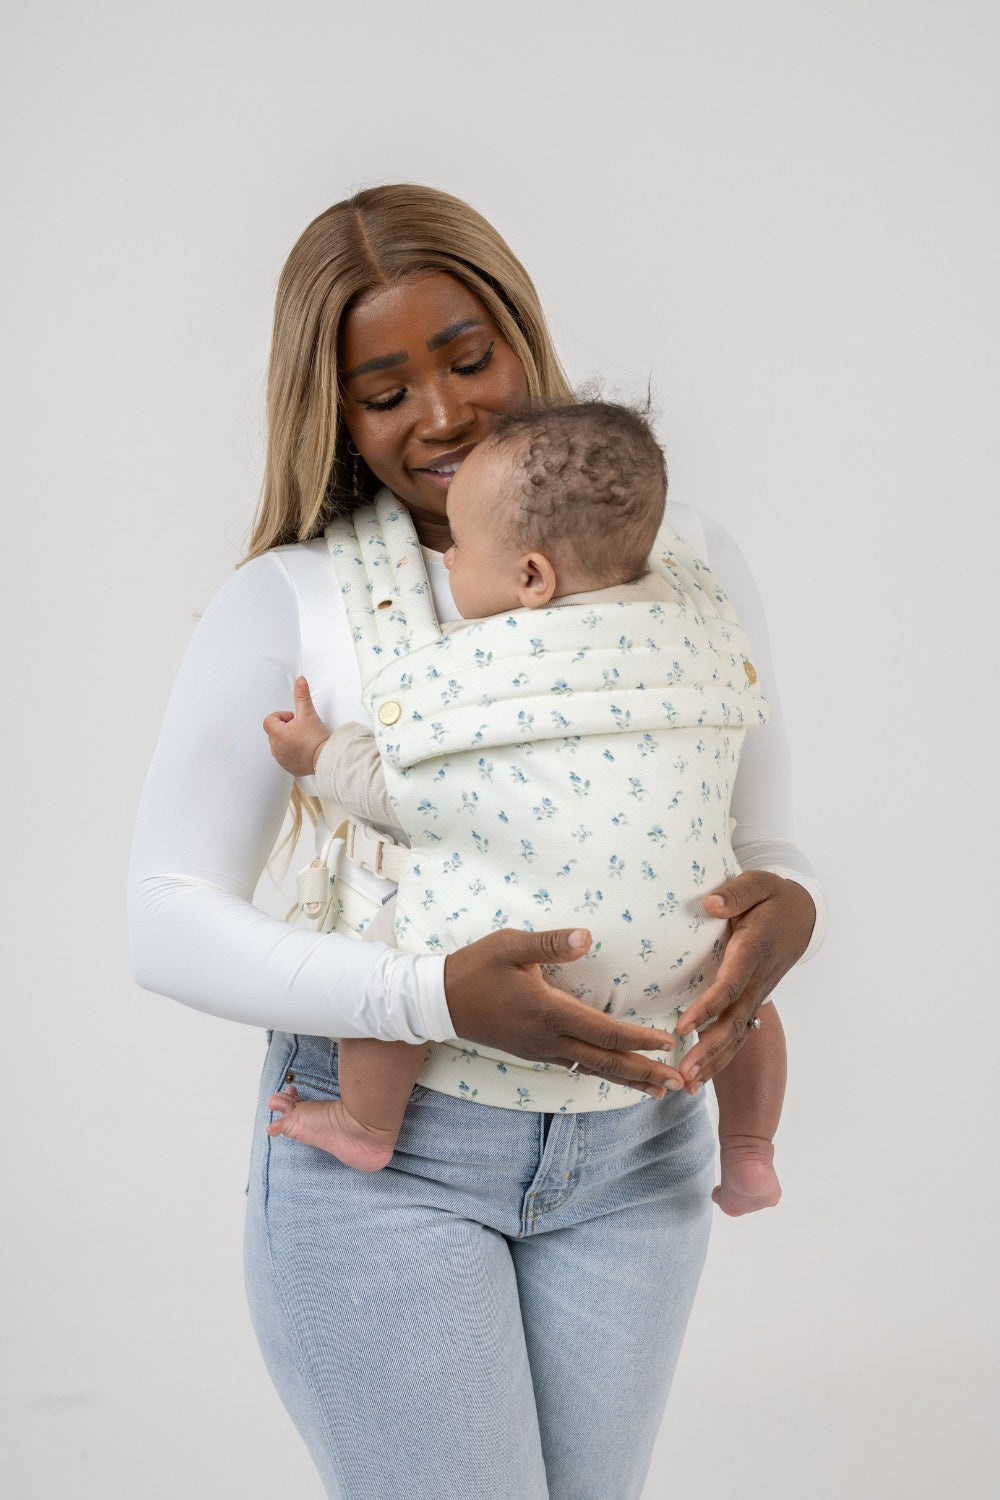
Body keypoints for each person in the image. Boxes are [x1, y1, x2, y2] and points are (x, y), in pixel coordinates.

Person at [128, 184, 824, 1499]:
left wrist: (790, 910)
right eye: (384, 389)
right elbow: (162, 915)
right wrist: (424, 994)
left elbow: (760, 836)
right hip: (395, 1165)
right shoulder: (296, 599)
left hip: (637, 1156)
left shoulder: (690, 562)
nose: (442, 413)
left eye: (466, 356)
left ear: (521, 333)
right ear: (331, 408)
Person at [262, 400, 785, 1218]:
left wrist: (317, 753)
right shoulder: (695, 644)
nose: (451, 561)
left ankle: (366, 1123)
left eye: (461, 548)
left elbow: (407, 799)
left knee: (380, 963)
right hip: (680, 954)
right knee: (744, 1002)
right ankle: (750, 1150)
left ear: (532, 579)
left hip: (515, 959)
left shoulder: (476, 676)